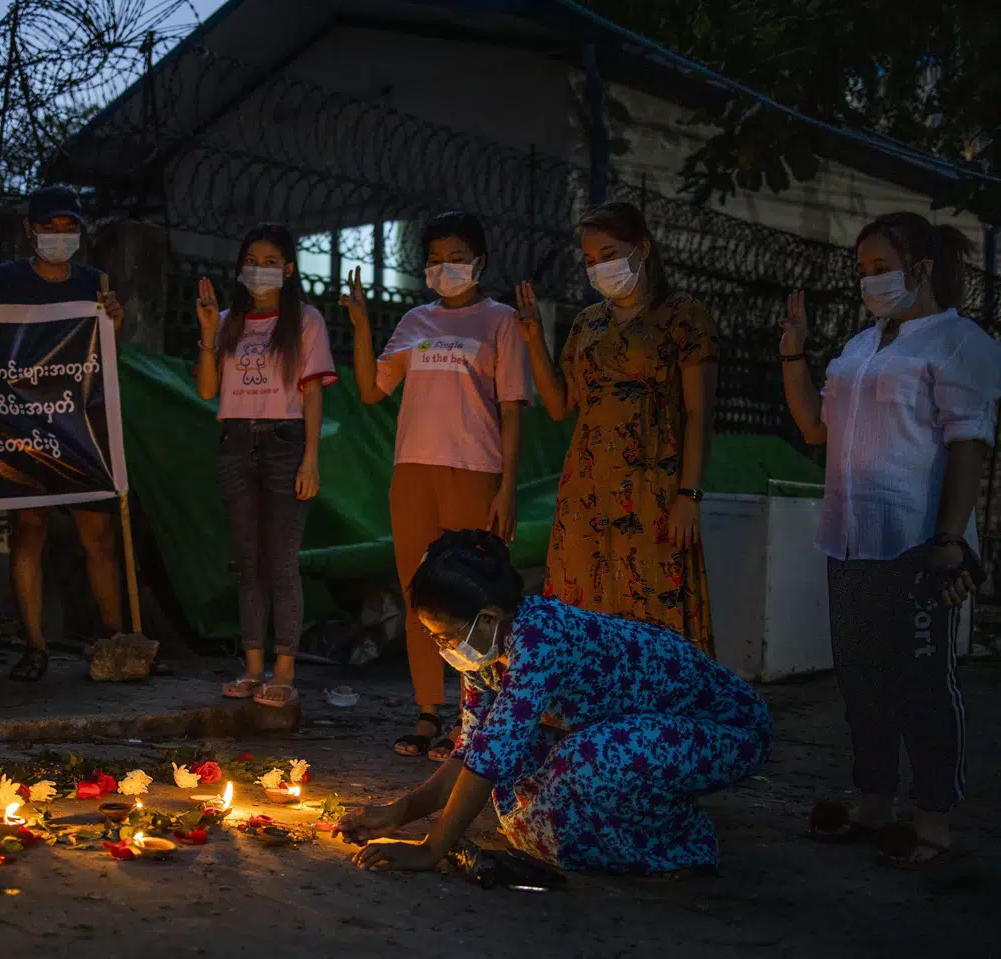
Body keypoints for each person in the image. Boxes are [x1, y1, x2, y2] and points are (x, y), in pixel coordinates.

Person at [337, 529, 771, 875]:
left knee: (587, 760)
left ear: (487, 618)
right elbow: (473, 750)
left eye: (444, 635)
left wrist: (431, 849)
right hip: (635, 723)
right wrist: (401, 812)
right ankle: (630, 810)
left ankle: (684, 841)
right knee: (524, 804)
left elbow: (489, 759)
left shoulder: (541, 639)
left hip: (726, 730)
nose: (441, 647)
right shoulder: (485, 652)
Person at [780, 212, 1001, 868]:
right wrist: (794, 353)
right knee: (861, 677)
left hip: (914, 538)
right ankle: (873, 796)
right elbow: (814, 429)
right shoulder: (859, 346)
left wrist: (949, 540)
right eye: (863, 271)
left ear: (922, 268)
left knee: (922, 681)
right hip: (849, 536)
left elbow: (969, 445)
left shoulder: (959, 342)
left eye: (881, 268)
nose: (869, 282)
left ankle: (932, 815)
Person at [346, 211, 532, 760]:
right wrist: (360, 326)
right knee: (418, 596)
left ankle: (477, 716)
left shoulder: (501, 322)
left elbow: (513, 410)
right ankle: (429, 713)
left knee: (479, 598)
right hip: (413, 473)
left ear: (480, 262)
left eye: (456, 257)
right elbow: (372, 390)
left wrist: (509, 487)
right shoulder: (412, 322)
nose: (444, 267)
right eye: (434, 258)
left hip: (477, 470)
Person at [516, 201, 718, 654]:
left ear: (642, 249)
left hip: (653, 485)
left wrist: (689, 494)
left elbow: (698, 414)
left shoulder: (683, 316)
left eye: (608, 254)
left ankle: (660, 714)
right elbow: (558, 407)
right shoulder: (588, 324)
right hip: (585, 490)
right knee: (581, 602)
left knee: (651, 599)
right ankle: (586, 713)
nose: (598, 267)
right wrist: (532, 341)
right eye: (590, 260)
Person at [0, 185, 125, 681]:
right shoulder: (6, 280)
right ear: (30, 229)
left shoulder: (95, 283)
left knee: (99, 536)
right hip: (25, 424)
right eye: (48, 227)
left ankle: (114, 642)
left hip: (82, 426)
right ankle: (34, 645)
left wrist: (116, 321)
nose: (58, 236)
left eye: (68, 227)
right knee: (28, 531)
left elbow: (110, 353)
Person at [193, 224, 337, 707]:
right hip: (235, 442)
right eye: (251, 259)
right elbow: (208, 391)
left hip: (285, 442)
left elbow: (312, 393)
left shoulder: (306, 321)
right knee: (249, 563)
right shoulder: (229, 319)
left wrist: (311, 460)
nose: (259, 268)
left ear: (289, 269)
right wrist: (208, 333)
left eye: (271, 260)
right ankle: (253, 669)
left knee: (281, 562)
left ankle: (285, 672)